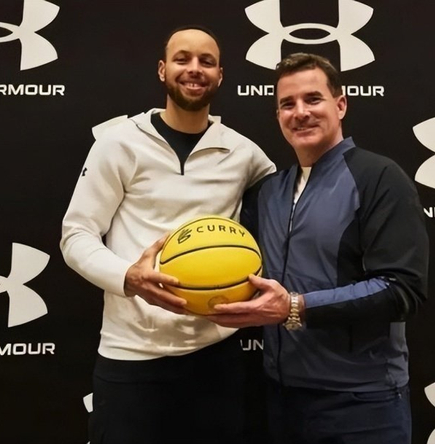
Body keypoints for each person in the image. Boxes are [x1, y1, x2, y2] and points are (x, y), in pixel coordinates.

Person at [60, 25, 275, 444]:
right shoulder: (119, 143)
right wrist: (129, 277)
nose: (194, 69)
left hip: (215, 358)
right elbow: (76, 234)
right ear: (162, 70)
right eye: (182, 59)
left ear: (220, 75)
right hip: (131, 356)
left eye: (206, 62)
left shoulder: (243, 153)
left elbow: (286, 210)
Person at [208, 53, 429, 444]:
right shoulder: (269, 191)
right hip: (281, 398)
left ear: (340, 105)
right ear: (277, 115)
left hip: (362, 404)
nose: (300, 113)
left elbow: (401, 289)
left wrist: (295, 307)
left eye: (313, 99)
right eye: (287, 104)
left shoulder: (380, 177)